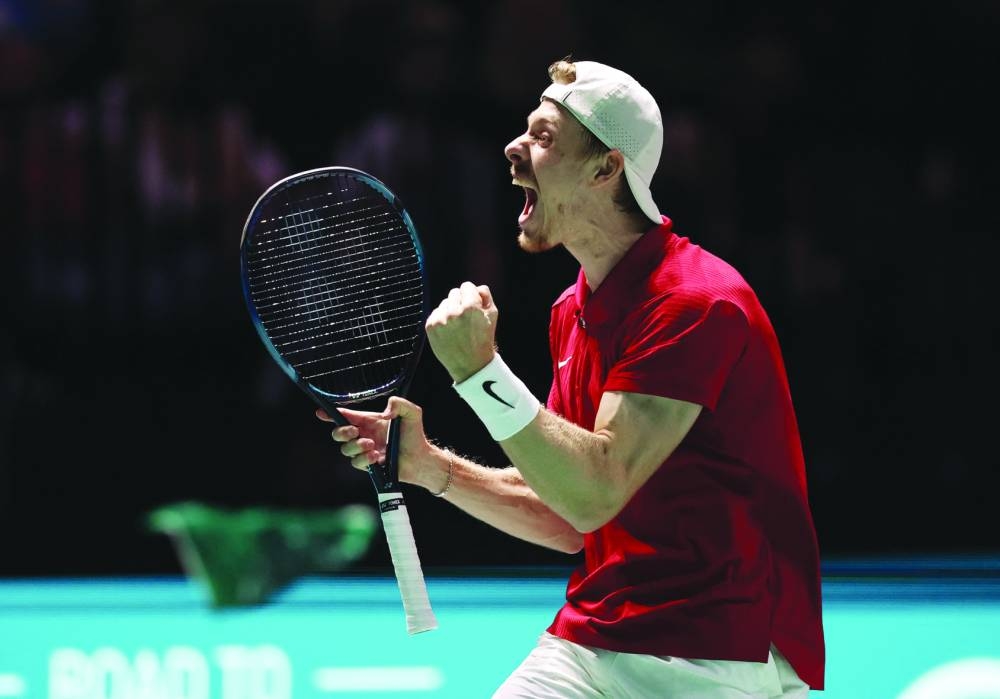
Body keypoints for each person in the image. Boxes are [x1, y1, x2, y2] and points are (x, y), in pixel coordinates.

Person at [320, 59, 825, 698]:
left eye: (544, 136)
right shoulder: (573, 310)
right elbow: (567, 516)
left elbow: (595, 491)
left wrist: (480, 374)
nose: (514, 148)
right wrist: (429, 466)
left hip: (720, 649)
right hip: (597, 638)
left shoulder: (695, 301)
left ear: (605, 168)